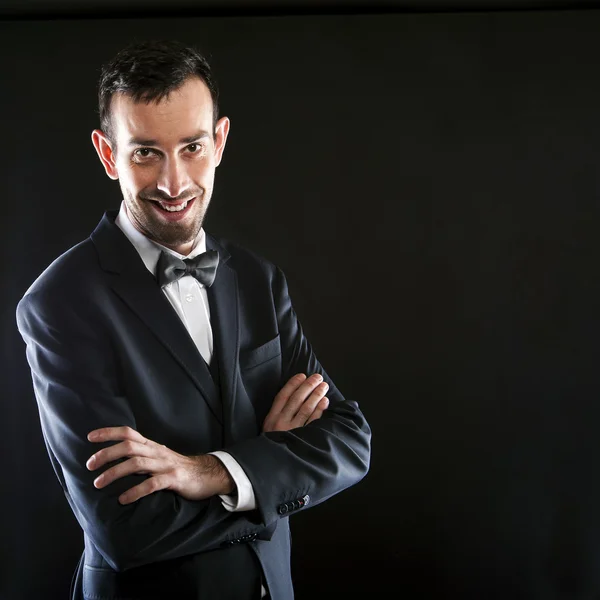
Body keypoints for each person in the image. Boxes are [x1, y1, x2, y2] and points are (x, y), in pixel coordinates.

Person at [16, 40, 371, 600]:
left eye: (191, 147)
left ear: (220, 141)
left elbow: (350, 442)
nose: (174, 183)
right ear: (109, 155)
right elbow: (126, 527)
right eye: (145, 153)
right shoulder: (59, 304)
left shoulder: (259, 280)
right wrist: (269, 470)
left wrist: (211, 472)